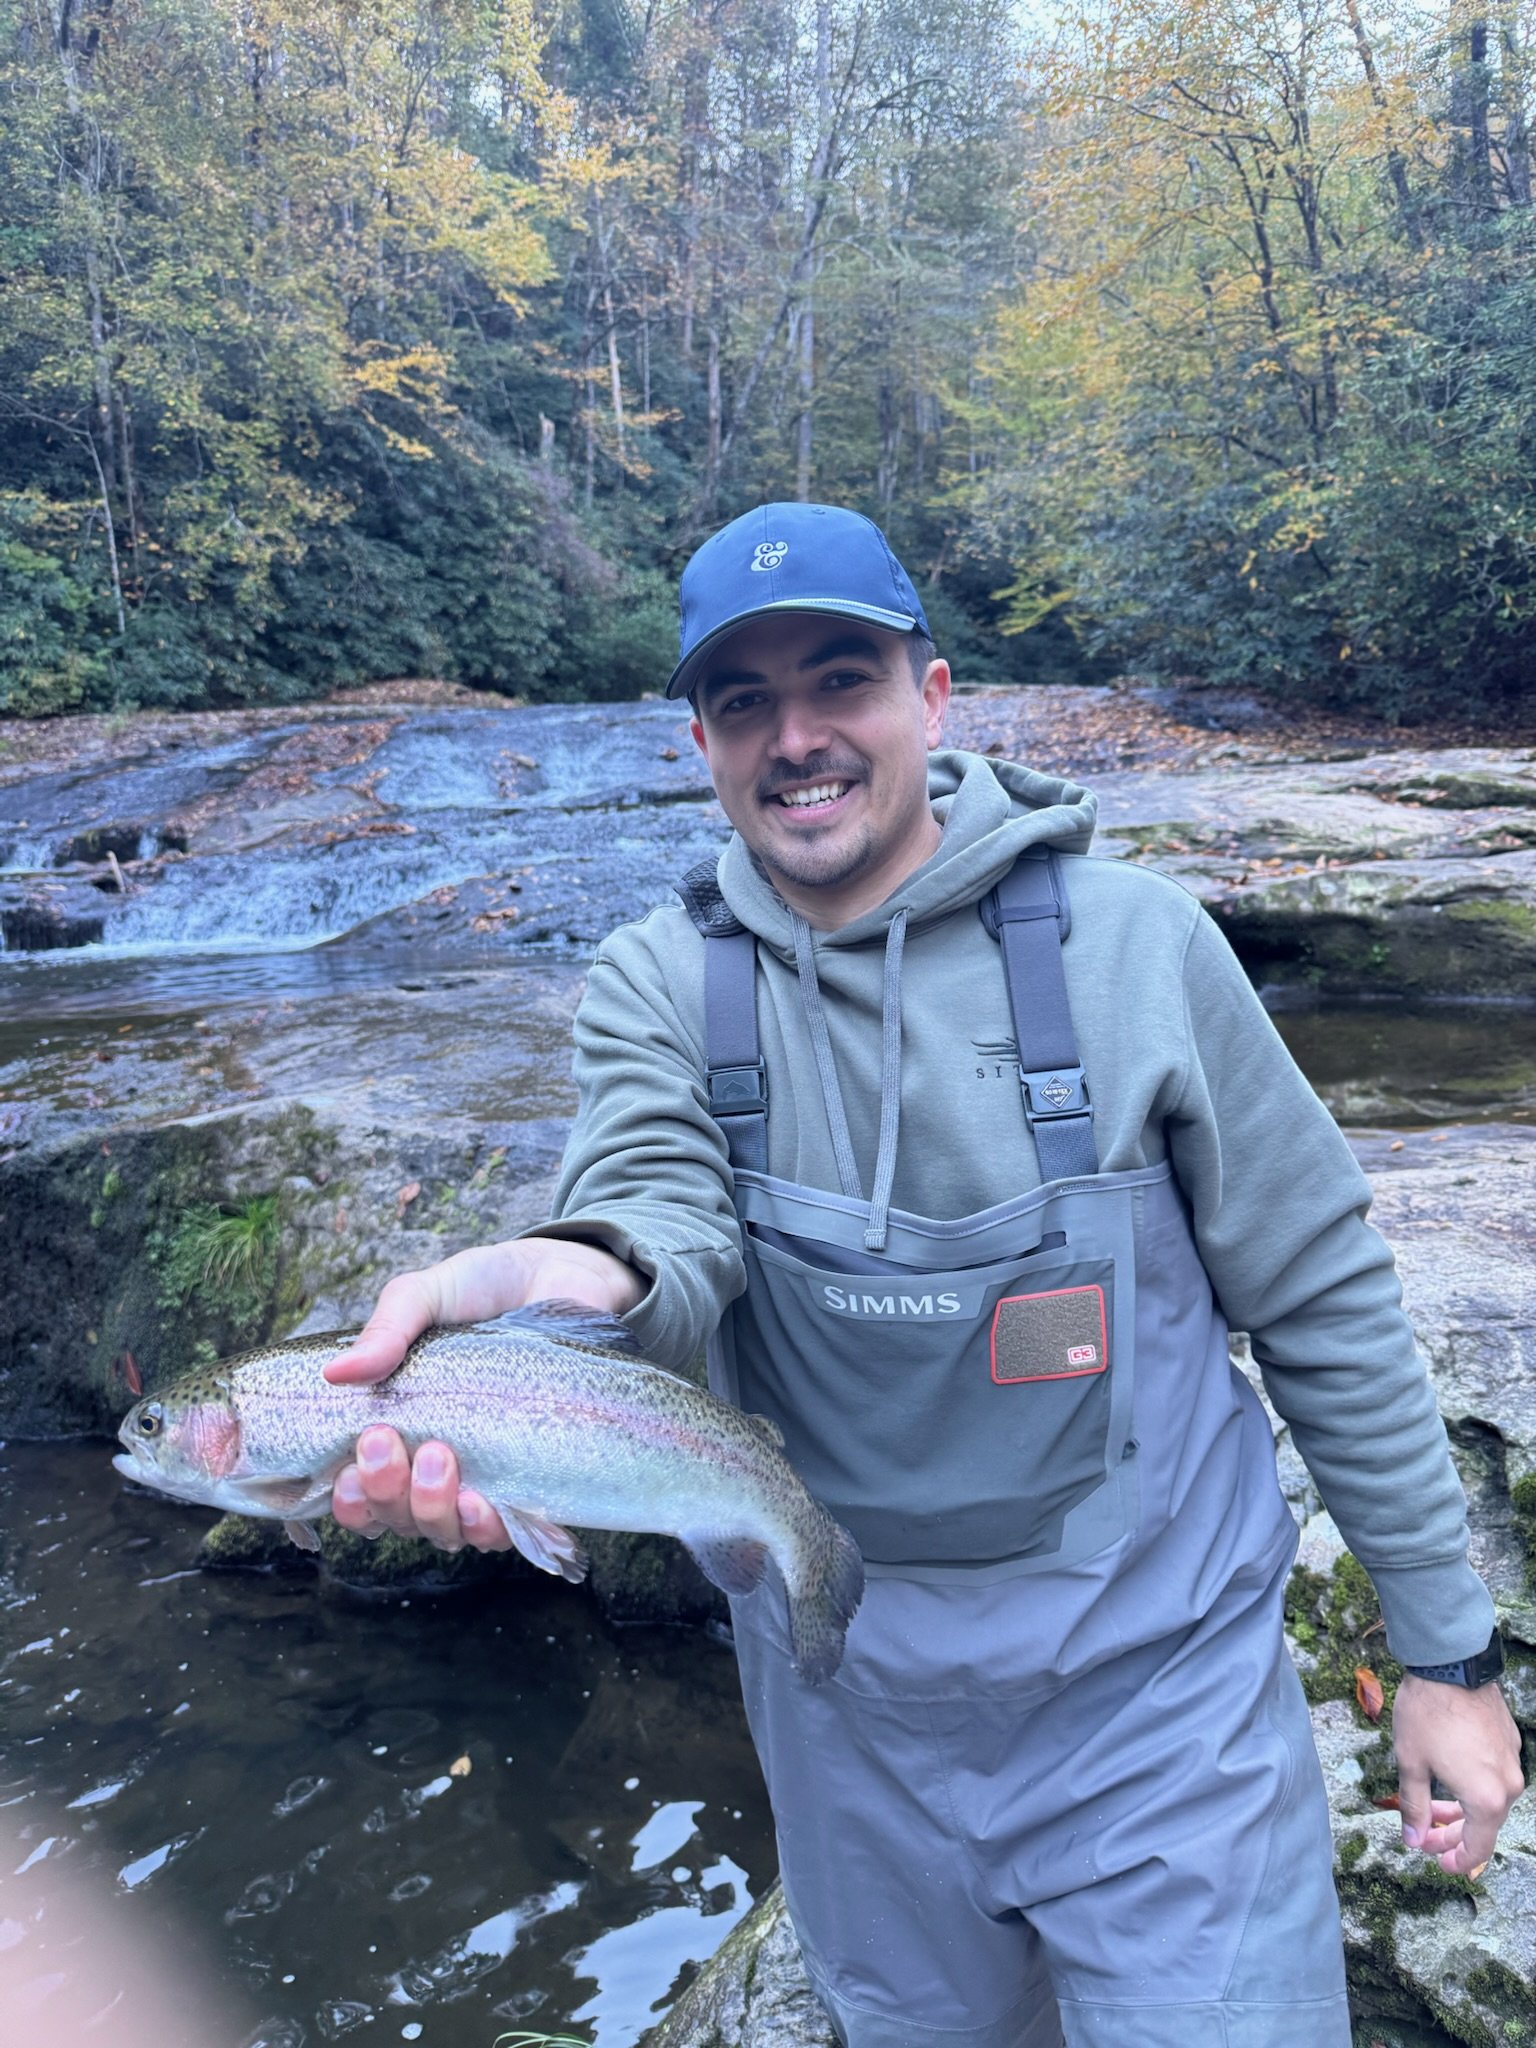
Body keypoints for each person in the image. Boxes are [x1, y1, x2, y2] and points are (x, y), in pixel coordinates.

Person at [323, 503, 1523, 2047]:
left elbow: (1320, 1298)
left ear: (934, 696)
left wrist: (1446, 1657)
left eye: (841, 680)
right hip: (849, 1736)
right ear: (700, 741)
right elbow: (652, 1220)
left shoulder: (1139, 948)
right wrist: (551, 1280)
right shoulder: (658, 982)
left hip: (1164, 1726)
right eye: (745, 701)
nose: (796, 737)